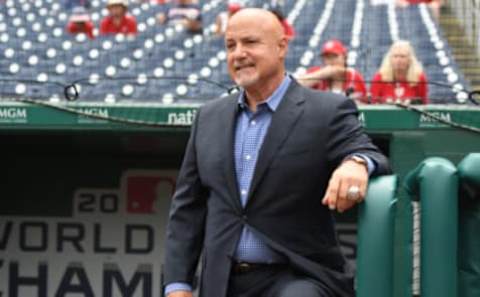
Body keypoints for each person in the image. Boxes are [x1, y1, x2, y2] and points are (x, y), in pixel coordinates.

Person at [163, 8, 390, 297]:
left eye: (250, 42)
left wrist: (355, 163)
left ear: (282, 46)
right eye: (231, 45)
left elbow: (370, 153)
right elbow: (187, 209)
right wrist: (177, 285)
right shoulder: (208, 117)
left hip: (298, 278)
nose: (238, 53)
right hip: (222, 283)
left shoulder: (326, 110)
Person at [297, 39, 368, 104]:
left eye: (334, 56)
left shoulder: (354, 76)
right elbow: (295, 86)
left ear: (344, 57)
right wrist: (324, 73)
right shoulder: (317, 72)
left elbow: (366, 104)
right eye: (327, 57)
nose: (330, 61)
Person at [370, 40, 429, 104]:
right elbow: (373, 103)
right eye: (395, 56)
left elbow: (424, 103)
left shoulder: (419, 78)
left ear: (409, 59)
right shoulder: (380, 78)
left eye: (402, 56)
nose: (398, 60)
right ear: (390, 59)